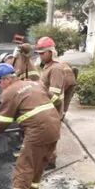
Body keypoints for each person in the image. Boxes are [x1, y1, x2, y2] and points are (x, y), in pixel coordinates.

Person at [0, 63, 61, 189]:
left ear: (6, 79)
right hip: (54, 126)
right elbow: (56, 100)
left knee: (24, 164)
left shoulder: (9, 92)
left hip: (39, 130)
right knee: (39, 161)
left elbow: (4, 120)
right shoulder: (33, 83)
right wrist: (30, 115)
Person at [35, 36, 77, 170]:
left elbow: (55, 96)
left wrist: (46, 109)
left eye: (43, 53)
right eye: (39, 53)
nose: (40, 56)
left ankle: (50, 162)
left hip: (51, 110)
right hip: (46, 109)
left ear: (51, 52)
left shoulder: (56, 69)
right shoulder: (48, 67)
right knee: (44, 137)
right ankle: (45, 159)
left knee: (49, 138)